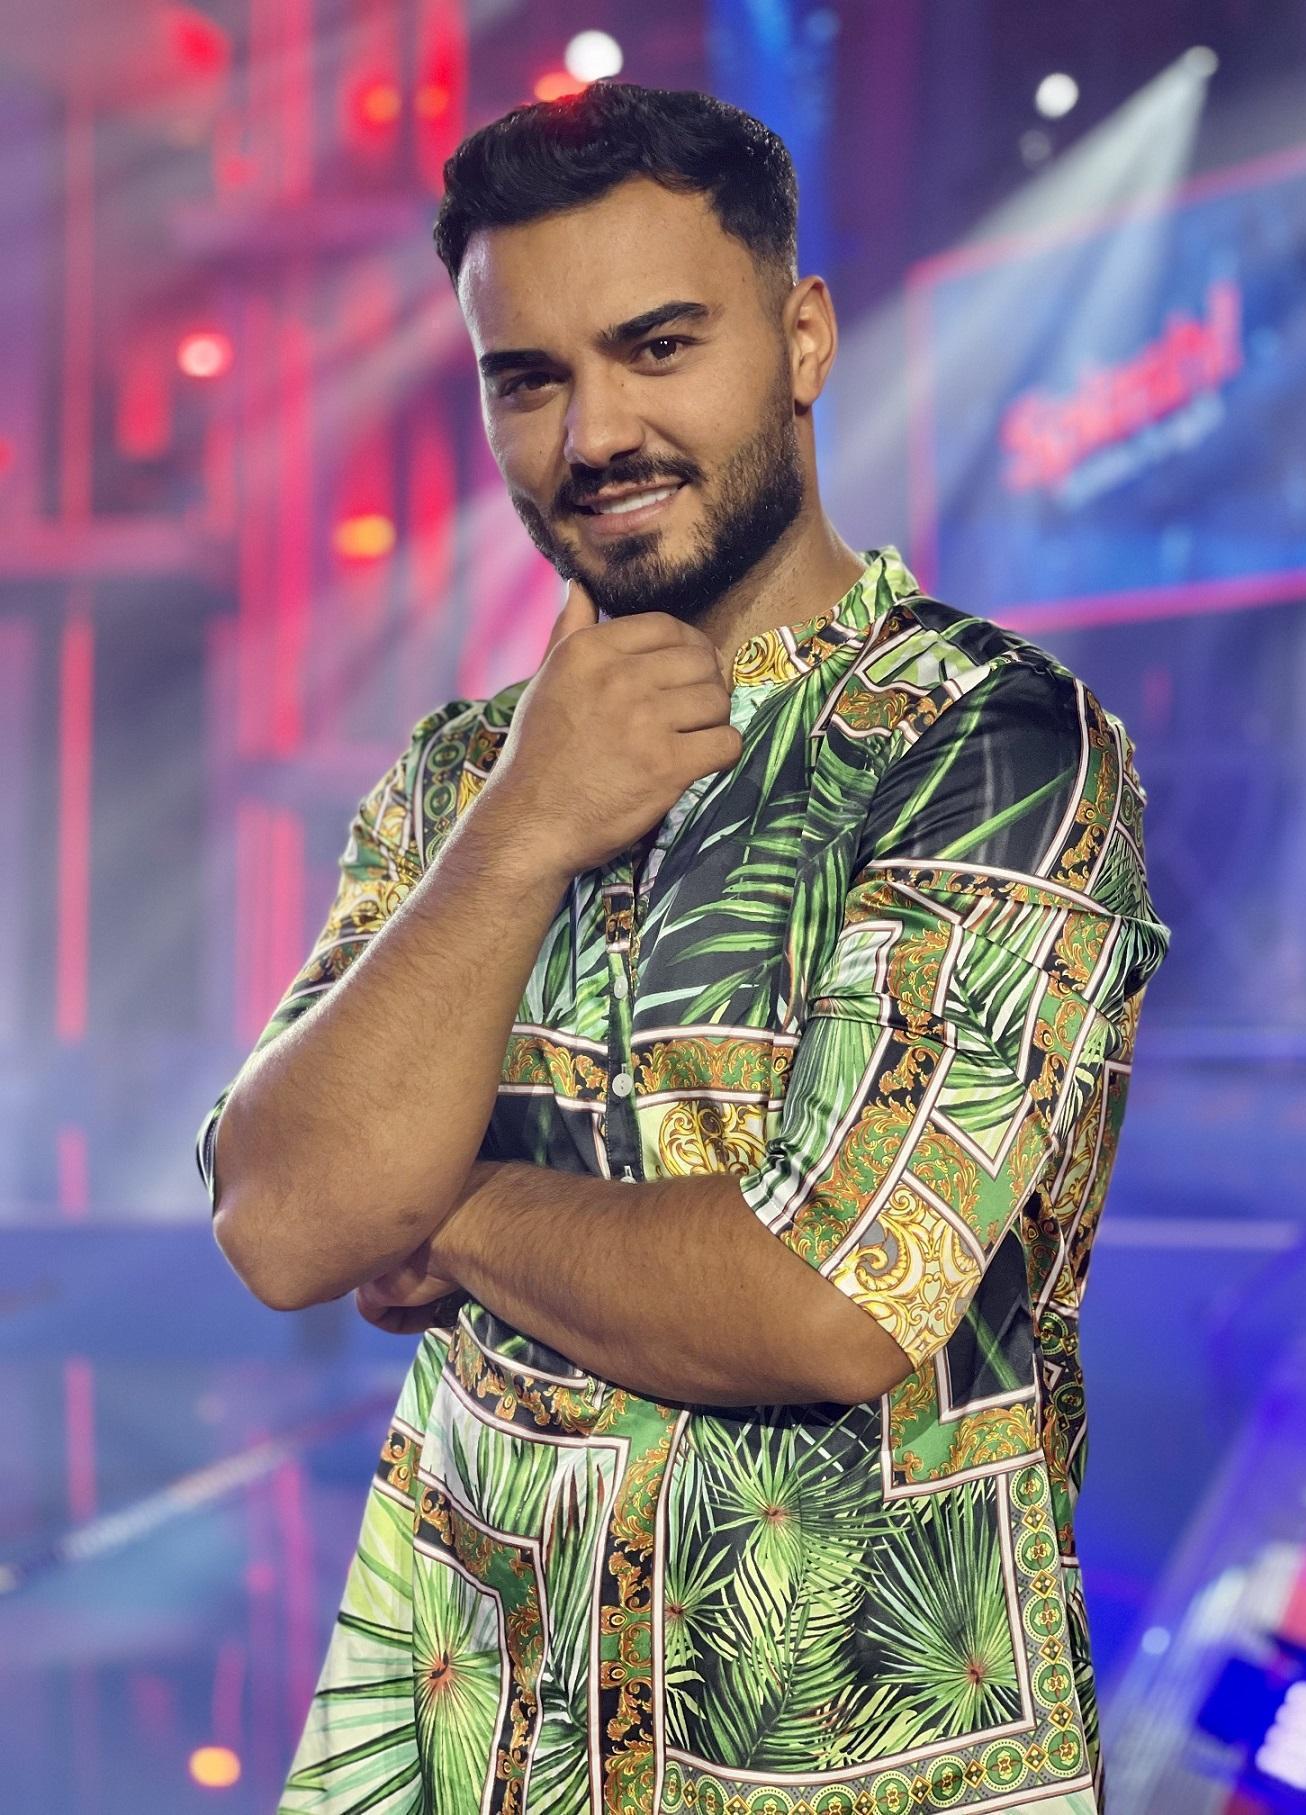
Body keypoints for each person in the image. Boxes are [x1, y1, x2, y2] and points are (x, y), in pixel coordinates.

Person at [197, 81, 1170, 1815]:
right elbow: (281, 1224)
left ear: (801, 340)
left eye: (657, 347)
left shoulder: (988, 743)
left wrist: (443, 1208)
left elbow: (828, 1300)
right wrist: (520, 830)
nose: (595, 433)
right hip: (463, 1755)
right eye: (529, 377)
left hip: (864, 1768)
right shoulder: (459, 781)